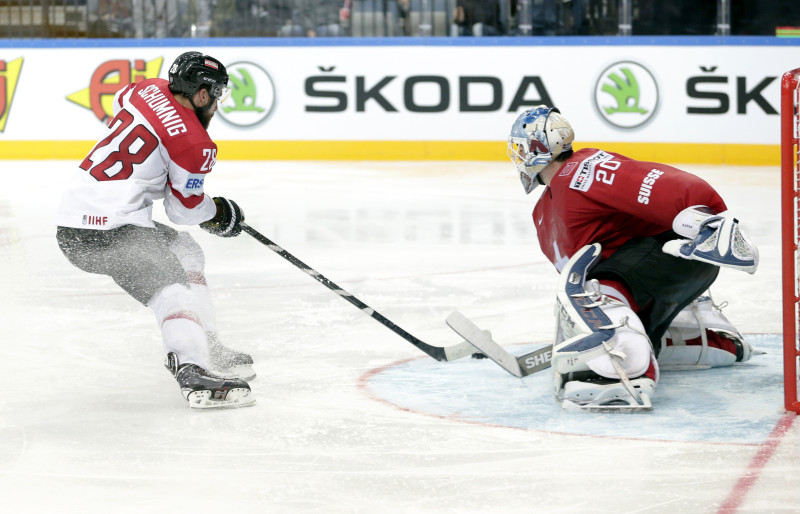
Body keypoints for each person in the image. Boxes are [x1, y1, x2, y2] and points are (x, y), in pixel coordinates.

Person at [506, 105, 759, 411]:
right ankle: (686, 340)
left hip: (671, 256)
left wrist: (707, 221)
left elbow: (652, 182)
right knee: (585, 289)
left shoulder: (581, 168)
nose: (518, 158)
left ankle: (623, 368)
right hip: (644, 275)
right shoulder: (542, 213)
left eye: (520, 149)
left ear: (536, 148)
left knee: (598, 291)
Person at [56, 51, 256, 409]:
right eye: (217, 94)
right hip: (112, 230)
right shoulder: (196, 144)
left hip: (72, 221)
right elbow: (184, 210)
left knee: (186, 250)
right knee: (172, 289)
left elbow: (120, 103)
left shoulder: (145, 89)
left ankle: (205, 342)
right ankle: (192, 369)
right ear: (202, 94)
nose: (216, 105)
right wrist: (219, 213)